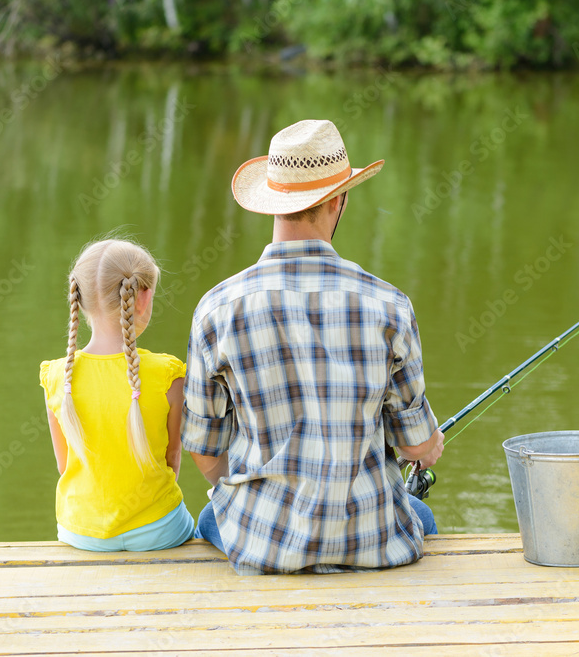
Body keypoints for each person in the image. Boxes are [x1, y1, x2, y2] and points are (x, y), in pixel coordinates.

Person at [183, 119, 444, 575]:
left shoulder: (217, 308)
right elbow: (415, 444)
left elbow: (204, 452)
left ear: (272, 204)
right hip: (371, 540)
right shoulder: (389, 304)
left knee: (211, 515)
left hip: (264, 545)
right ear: (339, 200)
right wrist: (430, 444)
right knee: (421, 517)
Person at [39, 239, 195, 551]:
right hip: (159, 530)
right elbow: (172, 459)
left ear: (78, 300)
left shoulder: (57, 376)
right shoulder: (168, 374)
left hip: (81, 532)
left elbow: (64, 464)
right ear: (143, 298)